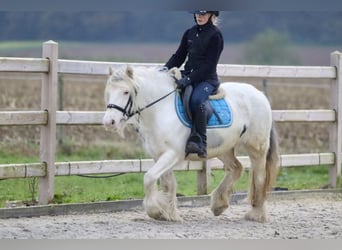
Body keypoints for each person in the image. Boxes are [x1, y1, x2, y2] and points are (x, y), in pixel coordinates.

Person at [163, 11, 224, 158]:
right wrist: (163, 69)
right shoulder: (189, 33)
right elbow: (179, 56)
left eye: (203, 13)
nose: (199, 16)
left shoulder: (215, 35)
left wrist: (189, 80)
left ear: (211, 15)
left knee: (196, 100)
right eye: (197, 13)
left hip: (207, 80)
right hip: (188, 75)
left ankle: (200, 141)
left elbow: (209, 66)